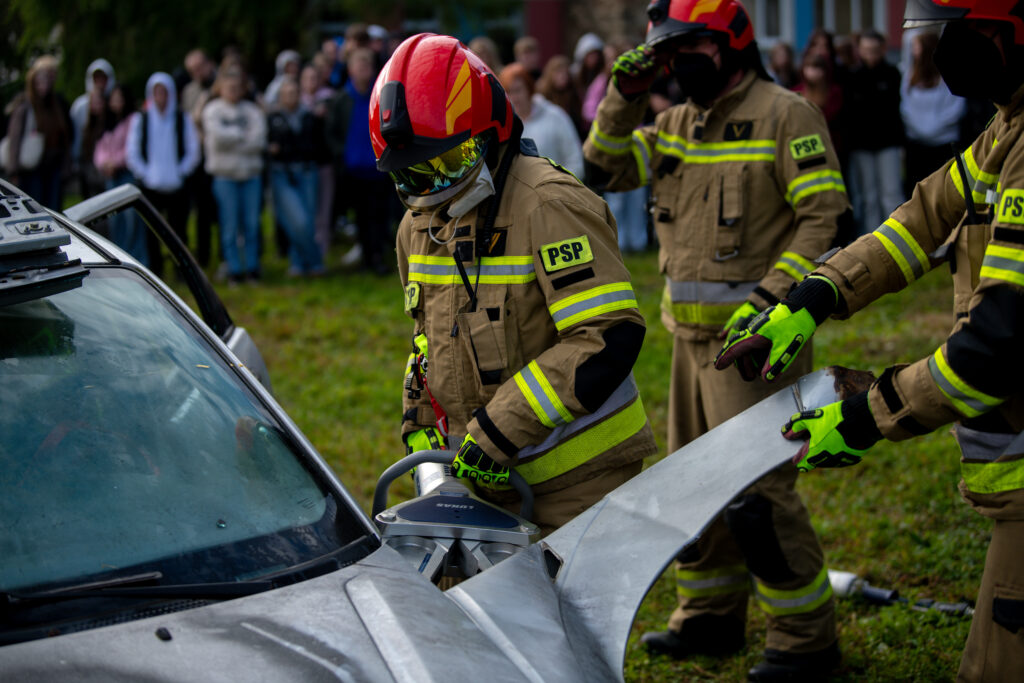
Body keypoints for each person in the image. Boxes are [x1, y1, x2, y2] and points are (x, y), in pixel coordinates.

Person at [716, 2, 1024, 680]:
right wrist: (813, 297)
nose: (944, 49)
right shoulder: (1010, 128)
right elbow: (919, 222)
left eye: (958, 30)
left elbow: (999, 343)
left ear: (1008, 28)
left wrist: (868, 414)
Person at [583, 1, 851, 680]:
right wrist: (625, 94)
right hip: (685, 343)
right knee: (692, 488)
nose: (677, 63)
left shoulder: (785, 114)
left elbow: (825, 217)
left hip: (756, 346)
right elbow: (603, 168)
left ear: (732, 41)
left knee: (759, 495)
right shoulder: (672, 124)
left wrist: (774, 300)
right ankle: (708, 616)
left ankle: (805, 639)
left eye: (689, 47)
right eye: (668, 53)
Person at [371, 33, 657, 535]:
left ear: (492, 132)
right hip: (481, 477)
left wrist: (500, 428)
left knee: (563, 610)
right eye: (414, 175)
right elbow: (428, 336)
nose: (435, 189)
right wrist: (418, 419)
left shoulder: (547, 205)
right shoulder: (416, 227)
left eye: (448, 163)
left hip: (576, 475)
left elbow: (607, 337)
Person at [126, 72, 201, 278]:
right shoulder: (141, 119)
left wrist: (181, 172)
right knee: (152, 232)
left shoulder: (180, 117)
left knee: (179, 231)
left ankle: (182, 271)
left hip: (176, 185)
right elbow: (132, 152)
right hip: (151, 185)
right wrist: (146, 174)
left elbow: (193, 149)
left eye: (164, 92)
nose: (161, 97)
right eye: (157, 92)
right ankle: (156, 271)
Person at [326, 47, 391, 274]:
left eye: (368, 66)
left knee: (378, 217)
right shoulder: (341, 99)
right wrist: (341, 155)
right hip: (352, 171)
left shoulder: (382, 95)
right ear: (351, 70)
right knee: (361, 218)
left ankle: (378, 258)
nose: (365, 70)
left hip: (378, 169)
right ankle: (365, 257)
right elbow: (331, 132)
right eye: (360, 66)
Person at [202, 67, 267, 284]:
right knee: (229, 225)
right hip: (225, 176)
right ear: (220, 88)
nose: (233, 91)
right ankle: (234, 270)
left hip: (250, 175)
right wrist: (242, 136)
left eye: (237, 87)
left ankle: (251, 268)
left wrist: (233, 140)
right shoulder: (212, 110)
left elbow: (258, 140)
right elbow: (217, 139)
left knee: (251, 223)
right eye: (229, 87)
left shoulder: (252, 110)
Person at [844, 30, 905, 235]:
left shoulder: (892, 74)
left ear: (883, 50)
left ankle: (895, 236)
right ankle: (870, 241)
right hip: (861, 144)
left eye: (875, 50)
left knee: (890, 193)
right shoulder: (852, 76)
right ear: (860, 50)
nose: (870, 54)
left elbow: (896, 109)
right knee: (867, 196)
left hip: (887, 142)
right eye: (866, 50)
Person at [266, 77, 324, 277]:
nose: (291, 97)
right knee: (296, 221)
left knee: (306, 221)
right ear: (280, 96)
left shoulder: (309, 117)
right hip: (283, 173)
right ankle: (315, 260)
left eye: (294, 93)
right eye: (286, 93)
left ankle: (298, 263)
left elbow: (318, 145)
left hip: (307, 172)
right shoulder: (272, 119)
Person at [900, 30, 966, 193]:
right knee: (917, 190)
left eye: (916, 46)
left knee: (943, 190)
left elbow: (955, 108)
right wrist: (921, 130)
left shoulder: (948, 76)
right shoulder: (910, 76)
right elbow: (905, 106)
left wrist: (932, 129)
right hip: (917, 145)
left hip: (944, 143)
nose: (913, 51)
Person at [5, 55, 71, 209]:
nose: (44, 86)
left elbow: (64, 137)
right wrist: (13, 169)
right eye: (40, 81)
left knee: (53, 208)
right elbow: (14, 138)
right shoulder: (24, 106)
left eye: (47, 80)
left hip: (53, 166)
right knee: (36, 207)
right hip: (32, 168)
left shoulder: (56, 105)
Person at [498, 63, 583, 178]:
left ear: (529, 89)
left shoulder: (555, 116)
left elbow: (575, 160)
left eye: (518, 90)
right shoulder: (502, 126)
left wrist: (560, 189)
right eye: (508, 92)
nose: (514, 98)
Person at [94, 85, 147, 265]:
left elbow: (131, 148)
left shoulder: (133, 119)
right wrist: (104, 164)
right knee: (115, 220)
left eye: (120, 98)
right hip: (111, 177)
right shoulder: (107, 123)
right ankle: (119, 259)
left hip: (126, 174)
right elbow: (100, 149)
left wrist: (115, 163)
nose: (117, 102)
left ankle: (138, 260)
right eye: (114, 98)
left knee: (132, 219)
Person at [300, 64, 336, 258]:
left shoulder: (330, 100)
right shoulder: (296, 103)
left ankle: (321, 251)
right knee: (306, 211)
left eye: (315, 78)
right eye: (307, 78)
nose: (311, 82)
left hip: (324, 162)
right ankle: (306, 250)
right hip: (303, 165)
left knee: (324, 209)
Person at [70, 58, 115, 180]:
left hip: (108, 164)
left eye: (103, 78)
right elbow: (76, 135)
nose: (100, 82)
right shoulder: (80, 106)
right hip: (85, 160)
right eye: (97, 78)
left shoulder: (114, 104)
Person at [536, 55, 586, 139]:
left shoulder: (573, 94)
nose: (563, 76)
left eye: (565, 73)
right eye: (558, 72)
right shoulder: (542, 96)